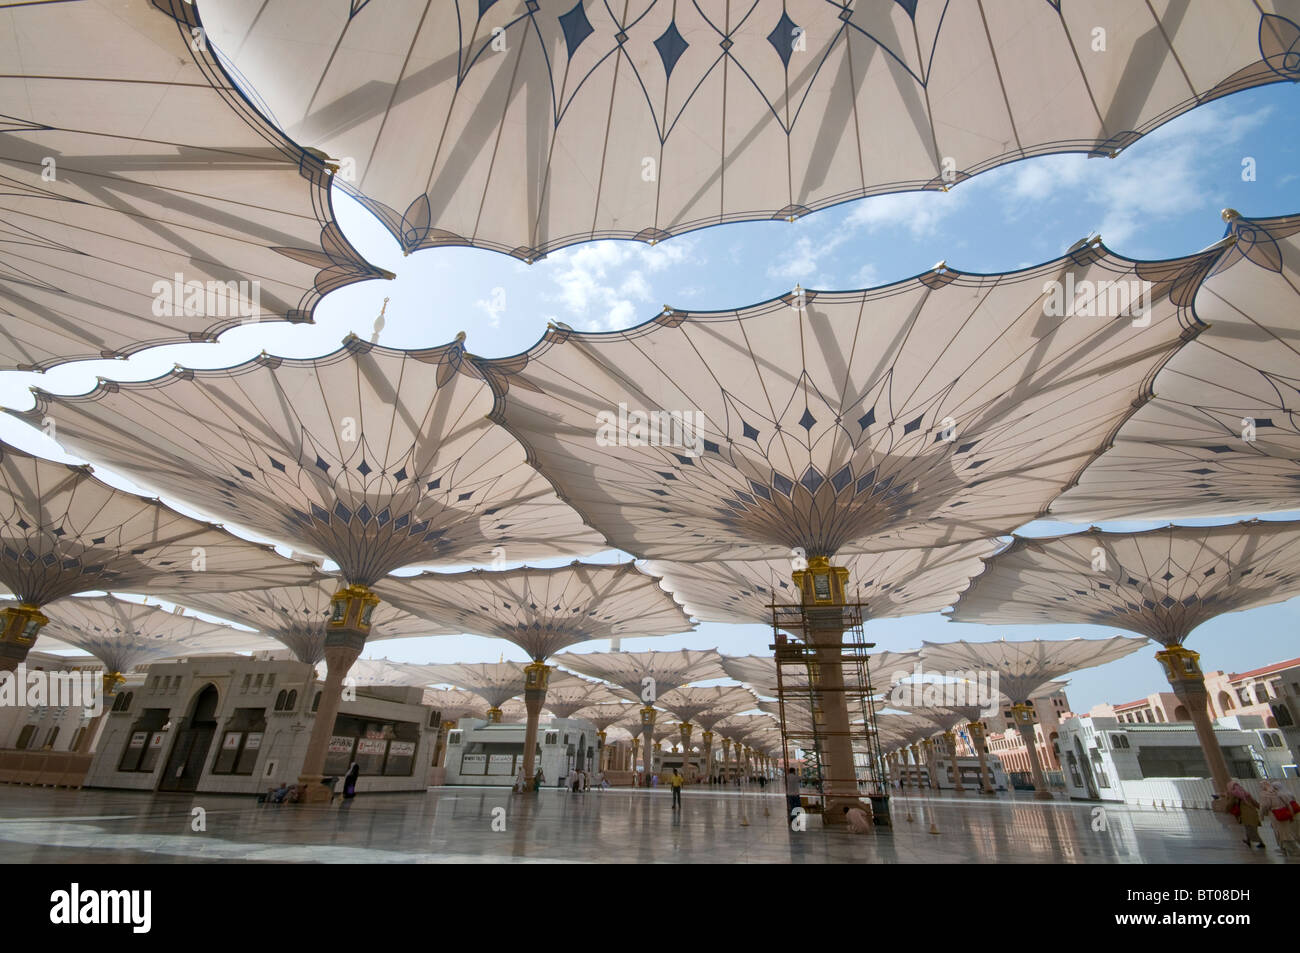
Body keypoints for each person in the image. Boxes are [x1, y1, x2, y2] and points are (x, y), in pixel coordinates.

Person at [1258, 780, 1300, 855]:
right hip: (1286, 813)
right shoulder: (1280, 793)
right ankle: (1285, 848)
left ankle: (1292, 850)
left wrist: (1261, 816)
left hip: (1276, 814)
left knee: (1282, 833)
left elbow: (1264, 806)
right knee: (1287, 832)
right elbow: (1289, 804)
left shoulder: (1266, 795)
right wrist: (1291, 813)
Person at [1225, 781, 1264, 848]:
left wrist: (1226, 810)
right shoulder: (1245, 793)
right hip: (1253, 813)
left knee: (1251, 829)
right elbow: (1254, 802)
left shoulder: (1234, 794)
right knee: (1249, 828)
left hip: (1246, 815)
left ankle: (1261, 843)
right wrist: (1261, 808)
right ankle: (1248, 840)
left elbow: (1230, 804)